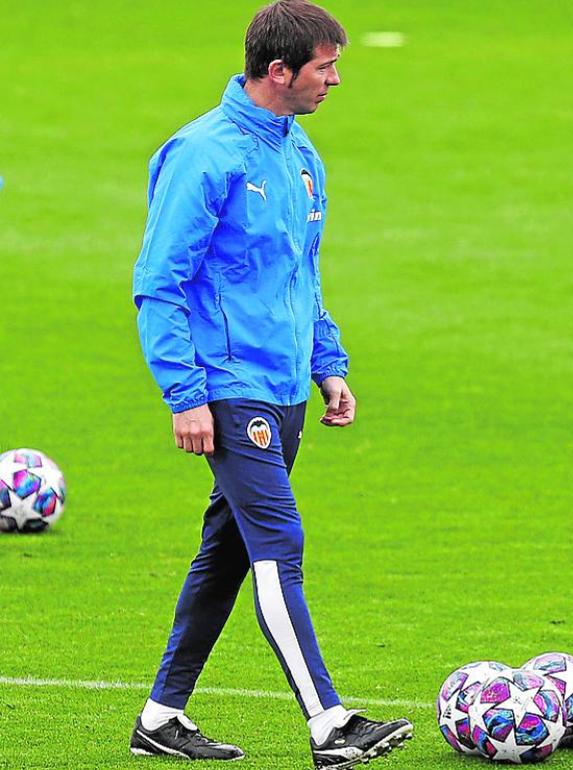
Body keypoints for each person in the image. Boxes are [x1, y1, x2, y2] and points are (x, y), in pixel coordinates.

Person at [129, 1, 411, 765]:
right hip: (228, 386)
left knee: (227, 550)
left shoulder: (298, 152)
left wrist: (328, 362)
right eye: (325, 66)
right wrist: (185, 394)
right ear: (279, 71)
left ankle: (160, 716)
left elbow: (301, 272)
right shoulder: (204, 155)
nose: (336, 79)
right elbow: (159, 283)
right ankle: (329, 723)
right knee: (278, 542)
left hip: (283, 387)